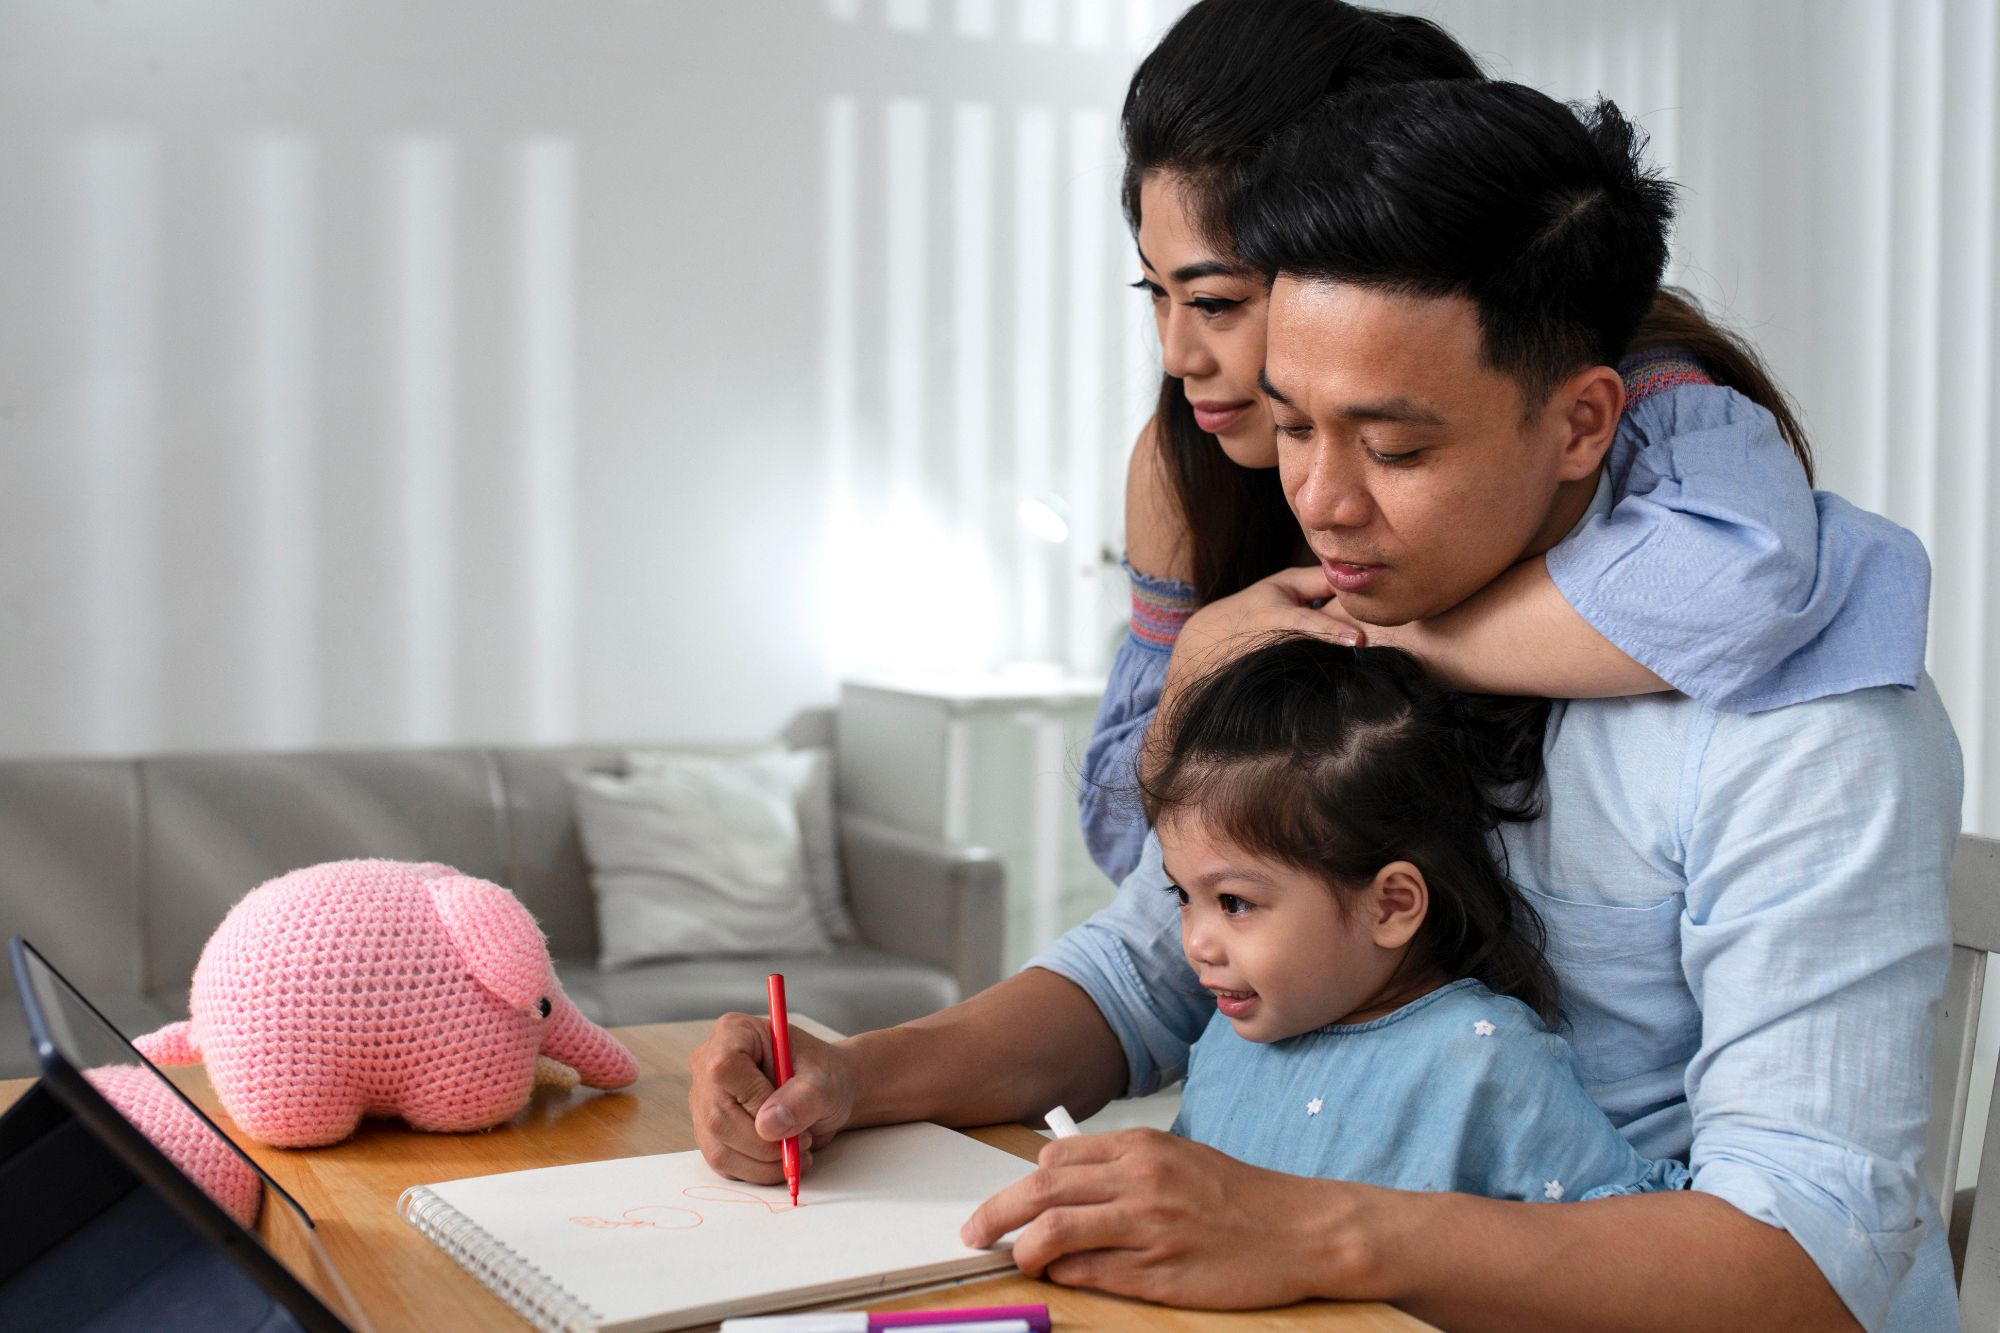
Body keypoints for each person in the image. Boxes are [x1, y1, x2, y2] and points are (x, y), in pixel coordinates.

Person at [688, 76, 1959, 1332]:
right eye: (1293, 426)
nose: (1324, 501)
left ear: (1581, 423)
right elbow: (1145, 972)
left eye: (1396, 448)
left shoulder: (1806, 724)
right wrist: (856, 1076)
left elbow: (1807, 1261)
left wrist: (1306, 1226)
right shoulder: (1352, 609)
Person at [1084, 0, 1929, 885]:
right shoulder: (1183, 458)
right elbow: (1130, 857)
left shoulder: (1635, 386)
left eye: (1219, 301)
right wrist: (1189, 678)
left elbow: (1737, 583)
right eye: (1155, 291)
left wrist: (1371, 641)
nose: (1176, 355)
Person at [1147, 632, 1687, 1205]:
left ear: (1392, 905)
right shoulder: (1231, 1036)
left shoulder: (1487, 1061)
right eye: (1181, 894)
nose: (1197, 943)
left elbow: (1610, 1254)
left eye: (1234, 903)